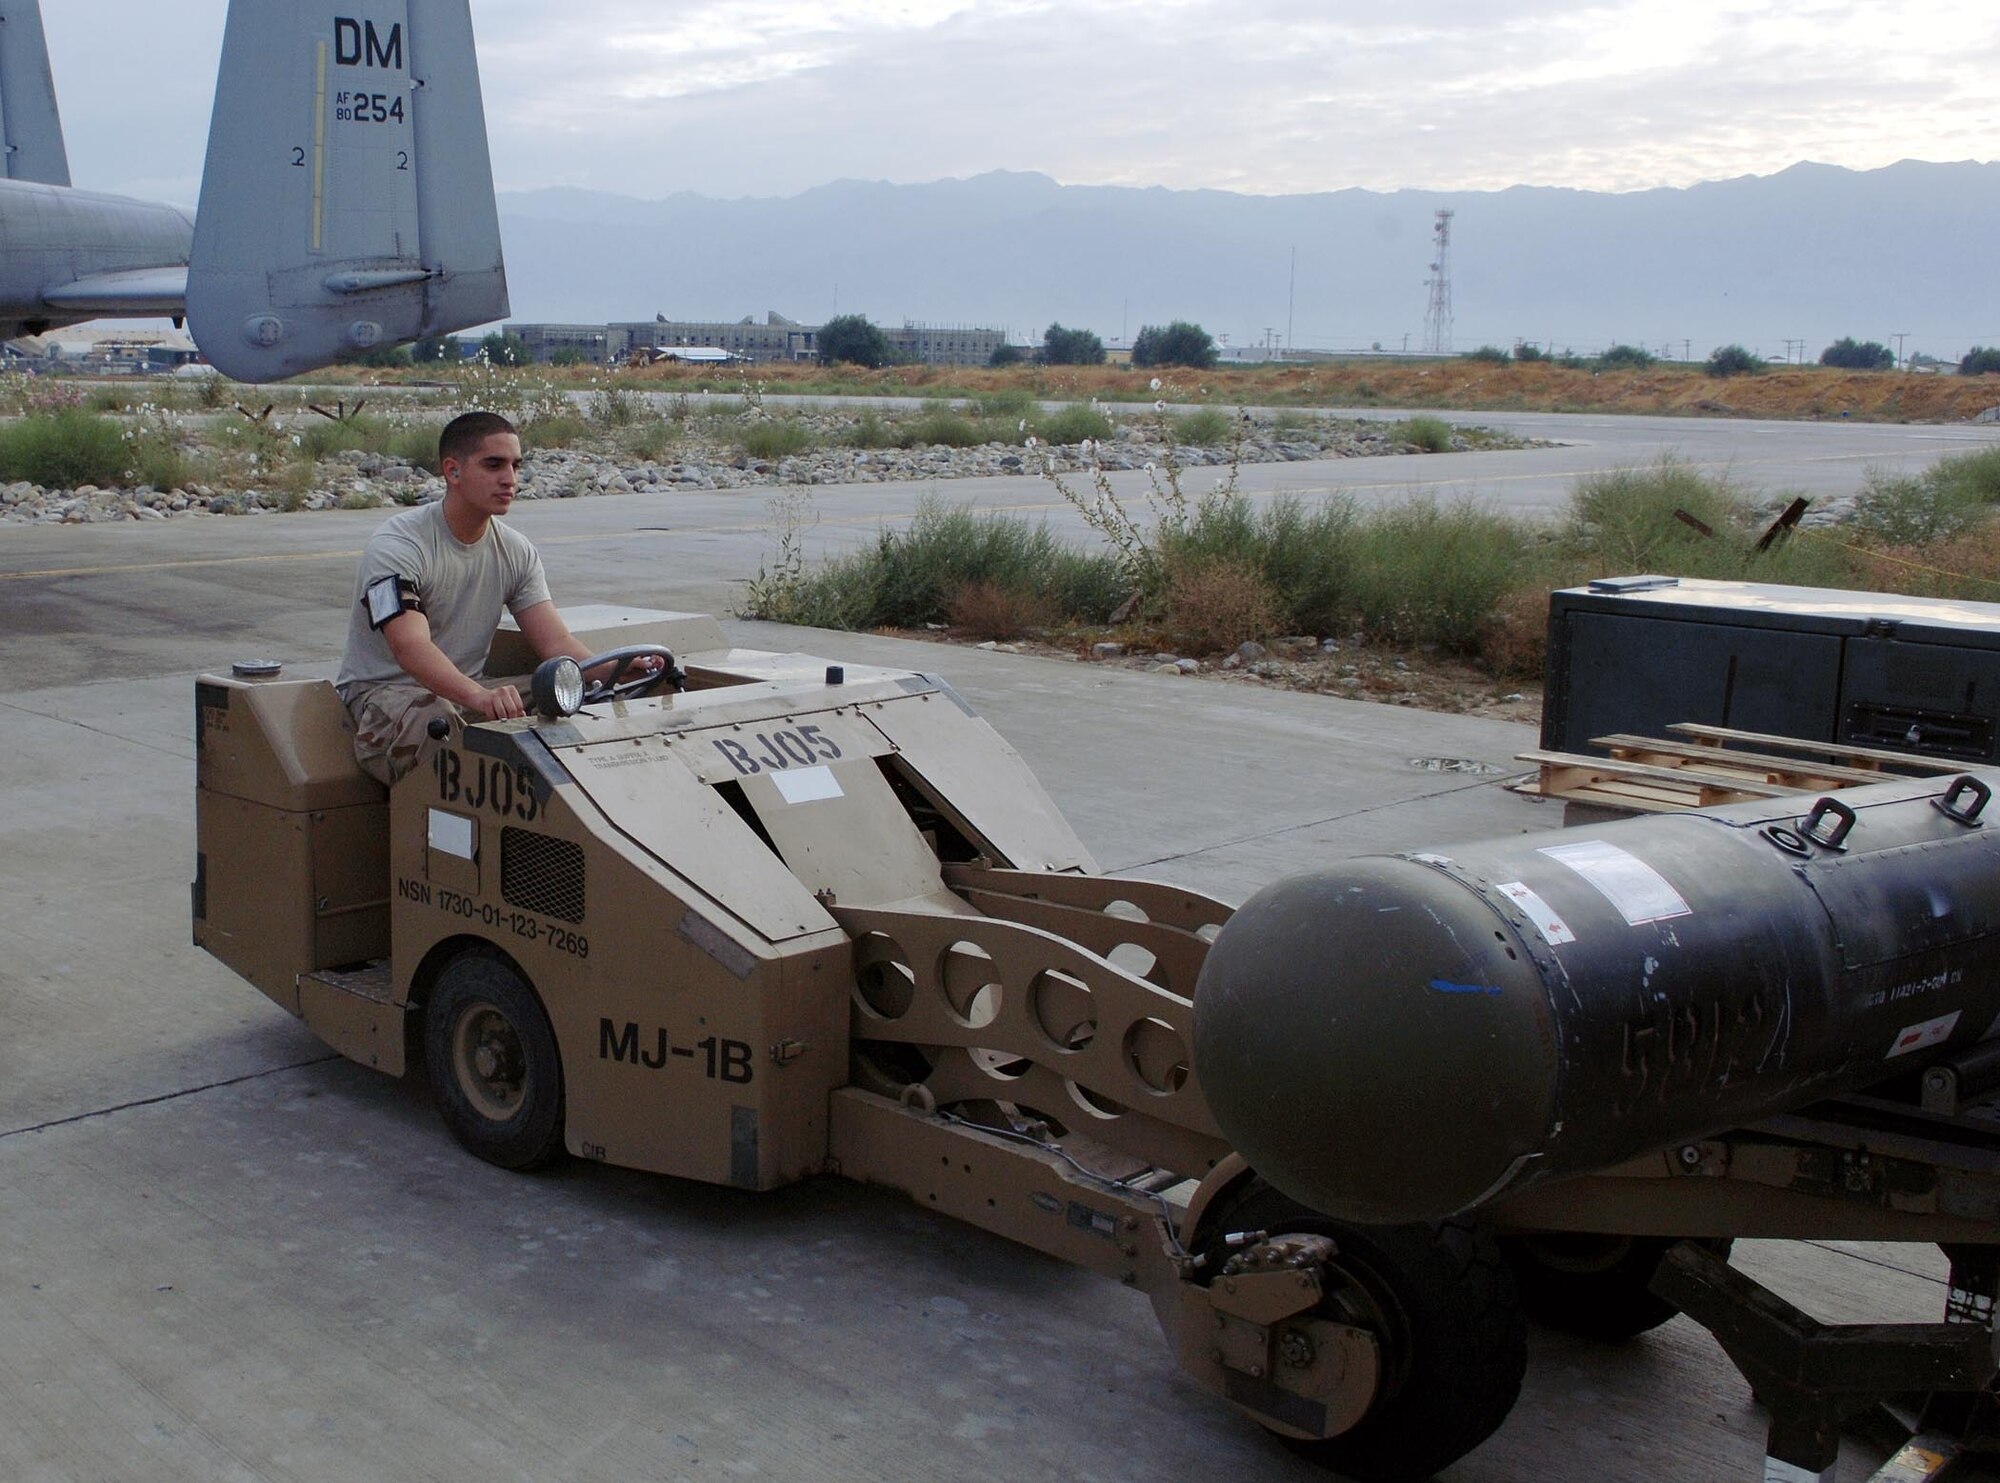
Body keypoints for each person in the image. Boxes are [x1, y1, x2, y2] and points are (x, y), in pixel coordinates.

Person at [334, 411, 652, 785]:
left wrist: (617, 670)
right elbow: (410, 647)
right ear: (452, 471)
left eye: (516, 465)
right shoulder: (398, 547)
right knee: (434, 716)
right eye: (494, 465)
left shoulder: (516, 551)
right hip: (384, 699)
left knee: (566, 696)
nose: (510, 479)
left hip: (464, 693)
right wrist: (479, 698)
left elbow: (555, 643)